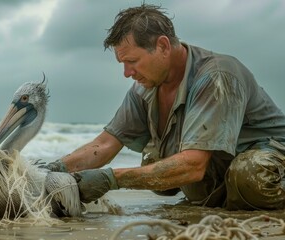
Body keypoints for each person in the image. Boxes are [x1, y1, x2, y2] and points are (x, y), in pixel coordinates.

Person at [44, 3, 285, 210]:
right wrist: (51, 170)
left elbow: (193, 165)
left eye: (132, 61)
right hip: (221, 174)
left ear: (162, 46)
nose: (127, 73)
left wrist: (112, 179)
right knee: (153, 161)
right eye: (122, 63)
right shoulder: (145, 87)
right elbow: (105, 144)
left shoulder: (217, 76)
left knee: (250, 174)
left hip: (269, 166)